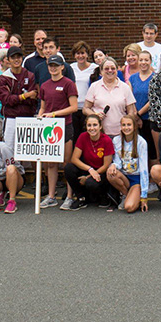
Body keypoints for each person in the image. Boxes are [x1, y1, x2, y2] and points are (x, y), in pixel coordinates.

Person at [37, 55, 78, 209]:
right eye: (50, 65)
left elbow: (73, 107)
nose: (53, 68)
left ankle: (69, 196)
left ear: (62, 67)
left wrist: (55, 114)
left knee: (67, 163)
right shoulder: (44, 85)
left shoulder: (68, 84)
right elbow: (43, 106)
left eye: (56, 65)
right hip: (49, 128)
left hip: (65, 126)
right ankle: (51, 196)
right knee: (51, 164)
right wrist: (41, 116)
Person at [64, 114, 114, 210]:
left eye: (95, 125)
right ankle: (81, 197)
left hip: (101, 172)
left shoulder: (106, 140)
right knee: (69, 168)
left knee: (91, 183)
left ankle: (103, 196)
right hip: (89, 169)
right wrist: (90, 169)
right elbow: (74, 158)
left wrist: (88, 177)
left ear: (100, 126)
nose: (92, 128)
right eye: (89, 125)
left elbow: (106, 165)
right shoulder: (83, 137)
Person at [0, 46, 37, 150]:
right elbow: (7, 100)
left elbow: (33, 98)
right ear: (8, 60)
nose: (16, 60)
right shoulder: (3, 78)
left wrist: (16, 98)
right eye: (13, 57)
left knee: (27, 151)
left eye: (19, 57)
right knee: (9, 149)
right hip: (11, 118)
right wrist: (25, 95)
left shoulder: (30, 75)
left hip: (27, 118)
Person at [83, 57, 136, 138]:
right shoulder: (94, 86)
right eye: (106, 68)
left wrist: (127, 127)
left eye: (113, 68)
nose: (110, 70)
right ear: (101, 72)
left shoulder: (125, 87)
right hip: (99, 133)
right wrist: (95, 115)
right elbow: (85, 109)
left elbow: (131, 112)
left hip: (120, 133)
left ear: (117, 71)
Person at [107, 115, 149, 213]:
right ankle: (126, 195)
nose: (126, 128)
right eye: (124, 125)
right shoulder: (116, 140)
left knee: (129, 208)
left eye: (129, 125)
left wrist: (144, 196)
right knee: (110, 174)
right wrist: (113, 165)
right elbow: (118, 163)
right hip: (124, 177)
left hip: (136, 179)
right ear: (120, 127)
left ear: (134, 126)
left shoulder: (141, 142)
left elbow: (144, 169)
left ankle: (135, 196)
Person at [128, 51, 156, 166]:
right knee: (138, 149)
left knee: (151, 148)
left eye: (146, 60)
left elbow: (153, 100)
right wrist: (135, 115)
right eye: (141, 60)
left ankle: (153, 177)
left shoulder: (155, 77)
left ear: (150, 61)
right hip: (134, 119)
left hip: (149, 119)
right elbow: (130, 97)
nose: (143, 62)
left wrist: (139, 114)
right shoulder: (132, 78)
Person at [70, 41, 97, 139]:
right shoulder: (70, 68)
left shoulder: (95, 68)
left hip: (88, 108)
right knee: (75, 136)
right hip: (74, 108)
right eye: (78, 53)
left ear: (87, 54)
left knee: (87, 135)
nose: (80, 56)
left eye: (83, 53)